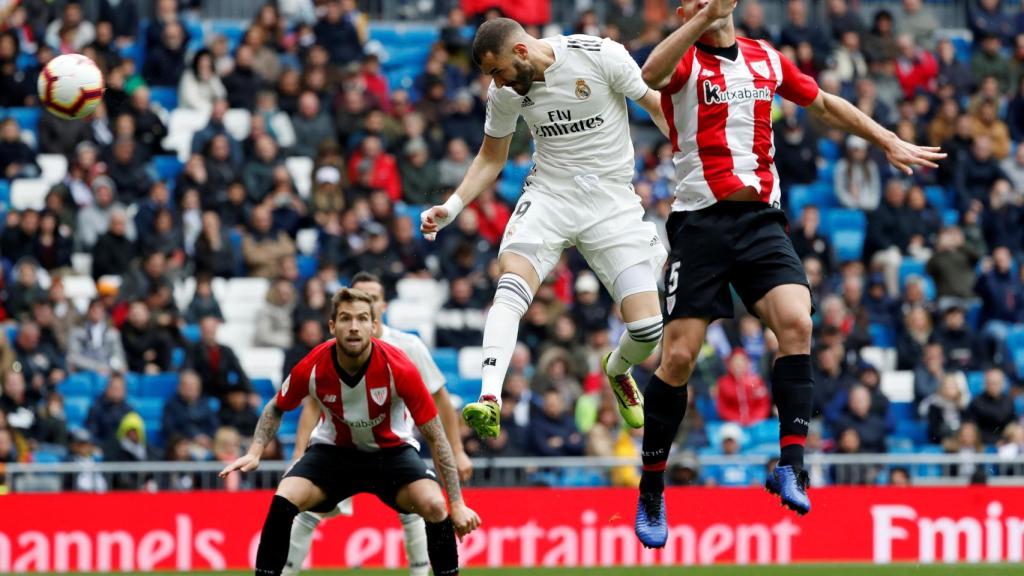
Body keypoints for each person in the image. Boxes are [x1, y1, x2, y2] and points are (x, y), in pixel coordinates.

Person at [632, 0, 944, 545]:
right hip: (700, 223)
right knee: (678, 356)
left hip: (760, 221)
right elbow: (649, 75)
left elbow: (824, 103)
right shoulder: (683, 60)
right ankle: (653, 487)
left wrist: (886, 139)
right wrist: (699, 22)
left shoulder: (765, 58)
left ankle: (791, 463)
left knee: (797, 323)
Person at [420, 18, 671, 441]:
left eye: (497, 70)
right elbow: (490, 157)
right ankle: (490, 398)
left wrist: (697, 162)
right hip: (550, 197)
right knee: (511, 281)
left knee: (648, 329)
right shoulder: (504, 92)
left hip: (612, 204)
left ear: (521, 52)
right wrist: (452, 204)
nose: (495, 82)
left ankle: (617, 368)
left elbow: (658, 107)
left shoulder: (599, 56)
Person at [219, 288, 479, 576]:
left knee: (434, 505)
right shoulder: (315, 364)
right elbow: (275, 406)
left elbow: (435, 435)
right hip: (333, 455)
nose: (354, 326)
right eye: (345, 318)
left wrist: (456, 504)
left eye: (361, 319)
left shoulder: (400, 367)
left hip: (391, 454)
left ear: (374, 325)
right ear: (332, 326)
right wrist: (255, 451)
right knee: (284, 497)